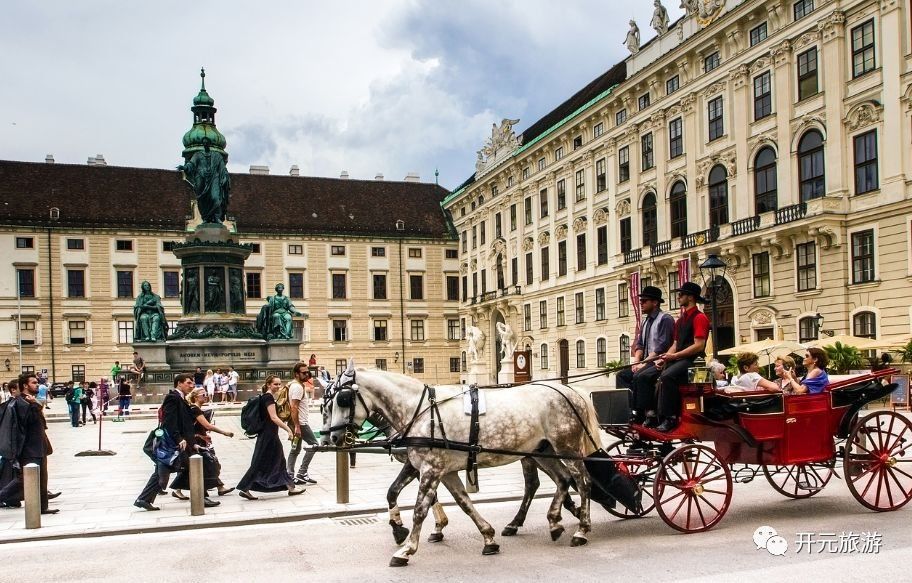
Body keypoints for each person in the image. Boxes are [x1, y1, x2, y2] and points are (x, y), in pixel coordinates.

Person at [653, 282, 711, 432]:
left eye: (681, 295)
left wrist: (675, 356)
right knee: (657, 376)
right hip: (681, 359)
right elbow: (675, 343)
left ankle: (671, 417)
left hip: (694, 361)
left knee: (667, 376)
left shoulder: (700, 318)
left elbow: (699, 345)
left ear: (690, 297)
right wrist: (665, 357)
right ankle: (655, 415)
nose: (678, 297)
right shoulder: (680, 320)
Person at [134, 374, 198, 511]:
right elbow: (169, 421)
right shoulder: (173, 398)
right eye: (188, 383)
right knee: (192, 467)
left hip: (179, 441)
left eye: (192, 383)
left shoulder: (181, 398)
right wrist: (179, 439)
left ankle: (143, 499)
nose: (192, 386)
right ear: (179, 384)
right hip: (174, 442)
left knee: (163, 470)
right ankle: (200, 496)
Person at [236, 376, 305, 500]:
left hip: (267, 434)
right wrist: (288, 429)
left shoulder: (265, 397)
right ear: (268, 384)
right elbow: (273, 417)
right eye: (275, 384)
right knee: (263, 462)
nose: (278, 386)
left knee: (275, 461)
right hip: (269, 436)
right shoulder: (268, 398)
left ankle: (290, 487)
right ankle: (245, 488)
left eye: (279, 384)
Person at [0, 373, 58, 514]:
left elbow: (42, 424)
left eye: (37, 382)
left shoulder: (29, 401)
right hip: (29, 448)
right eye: (33, 382)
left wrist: (36, 405)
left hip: (39, 446)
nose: (37, 384)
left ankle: (42, 507)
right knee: (24, 478)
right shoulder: (20, 402)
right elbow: (27, 423)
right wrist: (34, 405)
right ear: (25, 385)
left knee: (42, 478)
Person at [617, 286, 675, 425]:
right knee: (622, 375)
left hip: (660, 362)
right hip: (646, 361)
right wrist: (637, 361)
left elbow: (662, 345)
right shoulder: (645, 321)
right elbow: (640, 344)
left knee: (640, 376)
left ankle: (649, 413)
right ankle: (632, 409)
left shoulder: (665, 319)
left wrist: (644, 363)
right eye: (641, 301)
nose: (641, 303)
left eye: (644, 301)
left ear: (655, 303)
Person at [169, 388, 234, 502]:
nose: (206, 396)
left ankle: (217, 487)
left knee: (204, 465)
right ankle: (209, 490)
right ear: (196, 397)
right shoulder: (195, 409)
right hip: (196, 442)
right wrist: (225, 433)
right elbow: (207, 426)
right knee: (208, 464)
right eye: (203, 394)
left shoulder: (195, 408)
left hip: (198, 440)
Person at [287, 363, 318, 485]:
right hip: (300, 423)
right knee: (314, 445)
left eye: (308, 372)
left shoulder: (294, 385)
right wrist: (298, 426)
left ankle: (290, 475)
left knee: (295, 449)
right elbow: (294, 407)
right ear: (296, 374)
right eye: (304, 373)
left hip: (295, 422)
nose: (307, 374)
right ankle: (301, 473)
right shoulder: (297, 387)